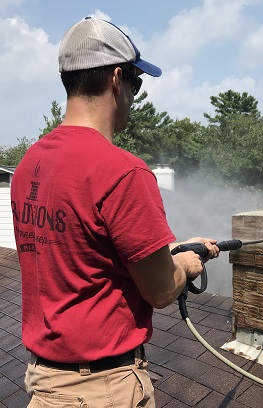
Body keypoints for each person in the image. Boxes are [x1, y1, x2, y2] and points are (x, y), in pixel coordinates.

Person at [10, 17, 219, 407]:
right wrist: (188, 264)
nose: (134, 97)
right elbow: (159, 292)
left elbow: (83, 251)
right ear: (117, 80)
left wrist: (170, 247)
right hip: (103, 389)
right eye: (136, 85)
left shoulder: (29, 164)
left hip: (44, 383)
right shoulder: (123, 171)